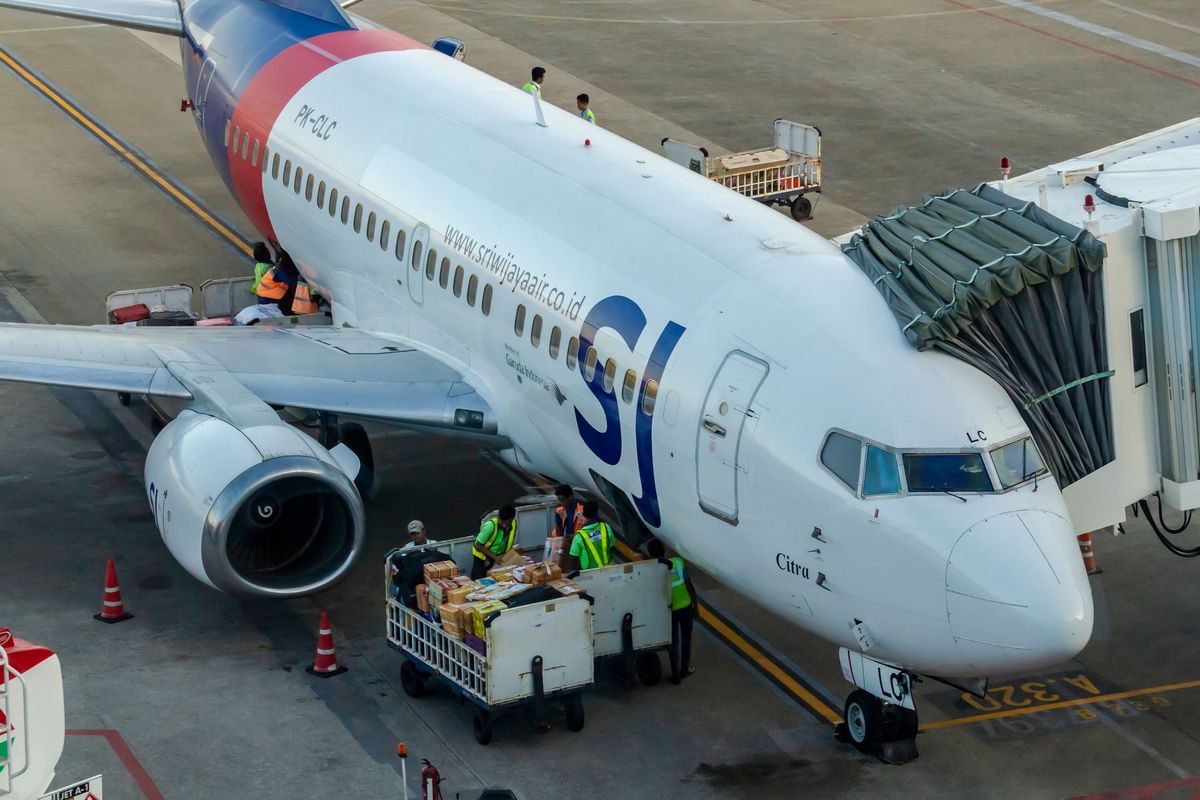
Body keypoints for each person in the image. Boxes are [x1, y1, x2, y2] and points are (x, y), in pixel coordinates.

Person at [647, 538, 697, 684]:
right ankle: (685, 668)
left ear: (651, 555)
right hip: (686, 606)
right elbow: (689, 586)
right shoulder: (678, 563)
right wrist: (696, 606)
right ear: (664, 550)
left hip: (670, 611)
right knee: (686, 639)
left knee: (673, 642)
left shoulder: (653, 571)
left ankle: (675, 674)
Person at [562, 500, 614, 572]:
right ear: (596, 513)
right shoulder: (606, 527)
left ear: (584, 514)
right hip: (611, 570)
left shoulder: (579, 536)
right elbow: (611, 546)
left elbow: (573, 563)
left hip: (590, 574)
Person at [470, 504, 517, 579]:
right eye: (502, 522)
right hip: (482, 558)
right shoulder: (490, 526)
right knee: (478, 580)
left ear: (512, 519)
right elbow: (478, 545)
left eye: (507, 523)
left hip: (496, 558)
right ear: (499, 518)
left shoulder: (514, 524)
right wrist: (495, 557)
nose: (504, 525)